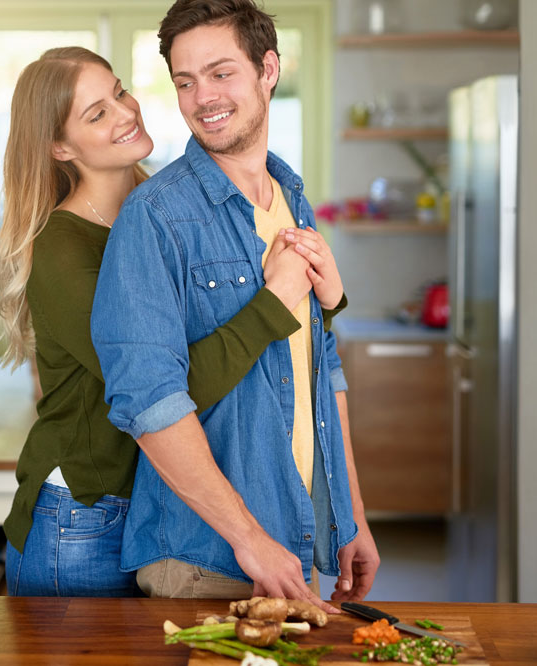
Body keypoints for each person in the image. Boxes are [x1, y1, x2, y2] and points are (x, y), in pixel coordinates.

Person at [0, 45, 346, 597]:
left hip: (161, 508)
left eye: (120, 92)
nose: (127, 112)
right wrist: (275, 304)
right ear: (59, 146)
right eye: (96, 113)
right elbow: (162, 393)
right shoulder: (63, 250)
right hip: (85, 514)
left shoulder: (162, 210)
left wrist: (324, 300)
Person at [91, 0, 380, 607]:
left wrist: (349, 515)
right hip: (206, 558)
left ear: (268, 70)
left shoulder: (291, 199)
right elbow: (148, 401)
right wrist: (247, 538)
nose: (203, 98)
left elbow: (320, 370)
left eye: (221, 73)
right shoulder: (156, 217)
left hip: (290, 541)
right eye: (185, 81)